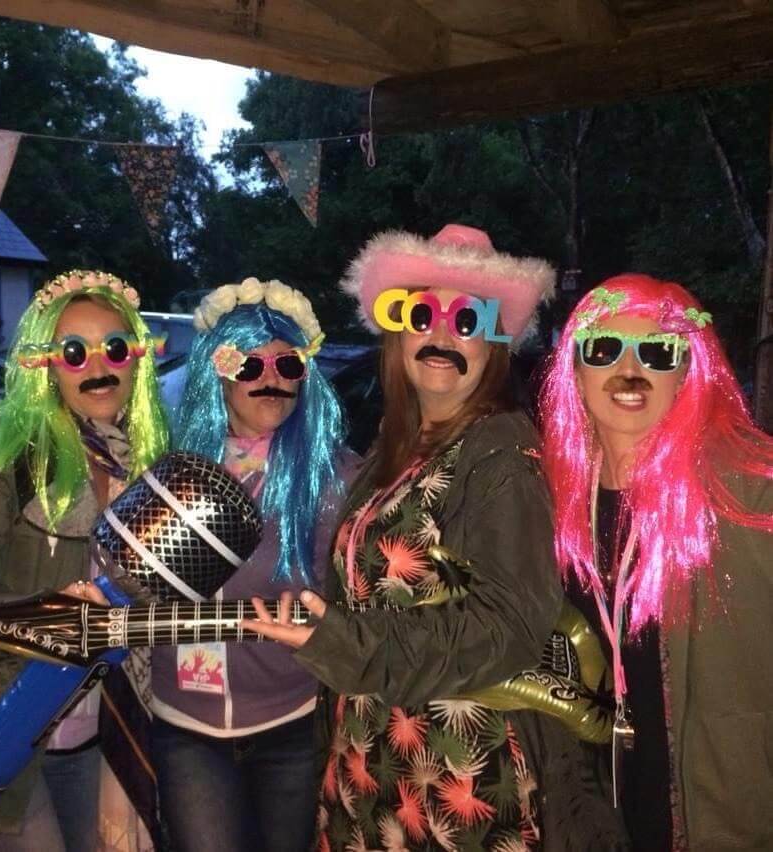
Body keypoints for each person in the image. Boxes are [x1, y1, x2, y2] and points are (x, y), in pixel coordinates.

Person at [245, 225, 628, 850]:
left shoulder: (500, 454)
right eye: (422, 313)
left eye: (469, 321)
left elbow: (507, 625)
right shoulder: (392, 451)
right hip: (372, 762)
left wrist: (342, 641)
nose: (444, 335)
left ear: (495, 346)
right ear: (398, 334)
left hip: (456, 774)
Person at [0, 270, 169, 850]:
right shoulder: (1, 454)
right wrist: (44, 619)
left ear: (136, 357)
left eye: (113, 347)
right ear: (44, 364)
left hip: (91, 732)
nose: (97, 366)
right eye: (73, 352)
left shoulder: (146, 464)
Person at [538, 274, 773, 851]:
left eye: (658, 353)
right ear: (576, 369)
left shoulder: (751, 493)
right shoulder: (547, 496)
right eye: (604, 349)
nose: (629, 371)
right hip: (595, 801)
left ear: (689, 373)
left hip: (716, 805)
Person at [150, 276, 360, 852]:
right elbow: (126, 576)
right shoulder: (171, 468)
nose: (271, 380)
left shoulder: (337, 477)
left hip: (289, 719)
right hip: (187, 726)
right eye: (250, 367)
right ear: (217, 373)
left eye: (287, 366)